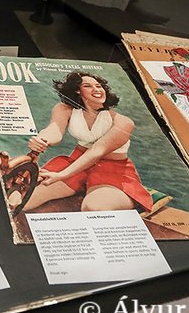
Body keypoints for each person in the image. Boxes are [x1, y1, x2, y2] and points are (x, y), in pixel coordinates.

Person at [10, 71, 154, 213]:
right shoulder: (64, 109)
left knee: (93, 207)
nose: (96, 89)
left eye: (99, 86)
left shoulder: (124, 122)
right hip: (75, 162)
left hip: (111, 170)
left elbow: (97, 151)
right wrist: (41, 139)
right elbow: (54, 129)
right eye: (88, 86)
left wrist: (62, 175)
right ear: (77, 91)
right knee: (24, 202)